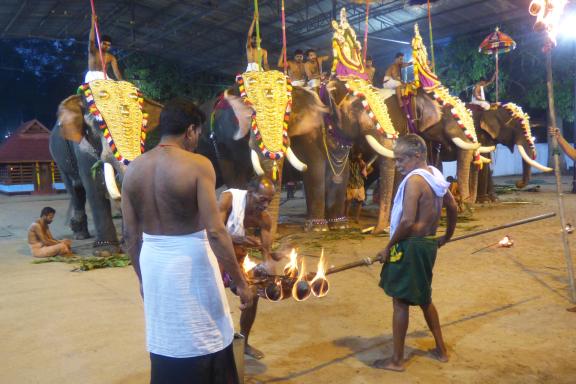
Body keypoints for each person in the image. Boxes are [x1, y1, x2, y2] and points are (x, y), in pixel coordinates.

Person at [122, 99, 254, 383]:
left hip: (153, 260)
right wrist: (240, 281)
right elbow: (217, 232)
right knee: (206, 333)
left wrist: (142, 278)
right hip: (190, 256)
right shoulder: (198, 165)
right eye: (198, 134)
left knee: (166, 333)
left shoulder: (134, 169)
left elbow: (129, 236)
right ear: (191, 131)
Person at [374, 134, 457, 372]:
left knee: (400, 302)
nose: (398, 165)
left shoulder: (414, 182)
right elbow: (452, 206)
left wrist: (388, 248)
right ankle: (441, 350)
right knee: (424, 298)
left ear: (417, 155)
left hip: (410, 245)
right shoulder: (435, 175)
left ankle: (397, 360)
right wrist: (446, 237)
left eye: (401, 160)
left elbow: (408, 220)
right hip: (428, 244)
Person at [219, 176, 279, 360]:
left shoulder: (264, 219)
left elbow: (266, 256)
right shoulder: (229, 199)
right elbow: (212, 232)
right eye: (262, 199)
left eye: (269, 201)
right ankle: (212, 348)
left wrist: (270, 275)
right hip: (214, 255)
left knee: (253, 293)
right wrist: (235, 239)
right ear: (249, 192)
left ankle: (243, 343)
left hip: (236, 259)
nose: (266, 205)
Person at [86, 15, 122, 83]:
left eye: (109, 45)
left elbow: (116, 72)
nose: (106, 46)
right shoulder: (93, 51)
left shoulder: (111, 57)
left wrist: (123, 83)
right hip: (92, 76)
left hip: (103, 76)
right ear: (100, 43)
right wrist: (93, 24)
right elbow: (91, 41)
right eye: (104, 44)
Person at [345, 151, 368, 223]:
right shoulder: (361, 163)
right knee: (359, 203)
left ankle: (346, 217)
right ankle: (356, 218)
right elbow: (364, 174)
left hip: (350, 185)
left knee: (348, 203)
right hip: (359, 185)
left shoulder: (347, 162)